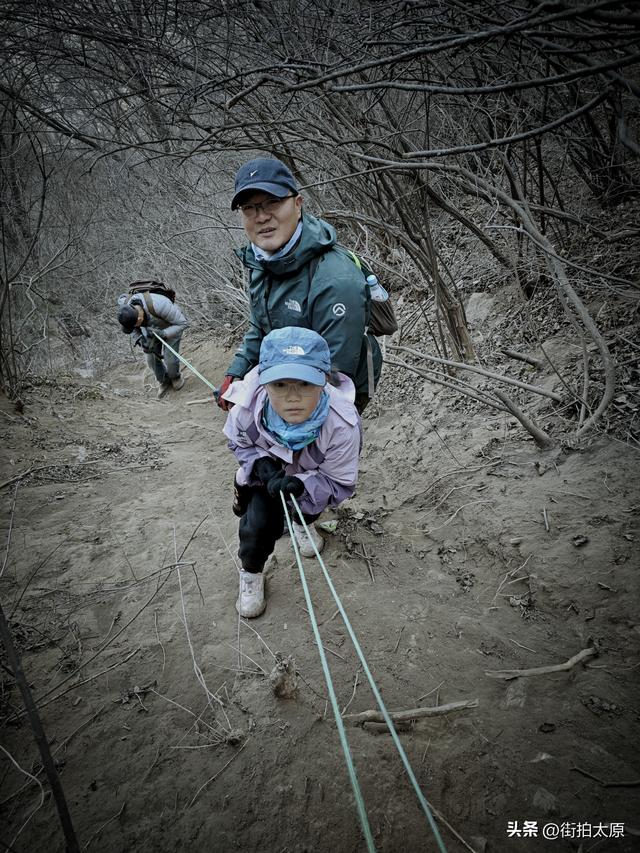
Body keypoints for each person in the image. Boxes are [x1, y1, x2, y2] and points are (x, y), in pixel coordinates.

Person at [216, 157, 382, 415]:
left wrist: (269, 415)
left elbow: (335, 376)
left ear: (298, 205)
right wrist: (237, 372)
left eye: (273, 202)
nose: (261, 217)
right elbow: (261, 326)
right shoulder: (263, 262)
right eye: (249, 208)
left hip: (334, 388)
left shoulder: (335, 279)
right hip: (289, 378)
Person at [223, 326, 361, 618]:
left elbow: (339, 482)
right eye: (280, 385)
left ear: (324, 381)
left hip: (310, 480)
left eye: (305, 384)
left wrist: (302, 486)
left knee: (308, 507)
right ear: (263, 382)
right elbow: (239, 442)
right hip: (266, 478)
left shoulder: (342, 425)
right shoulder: (246, 408)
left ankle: (302, 523)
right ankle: (251, 572)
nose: (293, 397)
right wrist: (259, 463)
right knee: (257, 526)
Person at [117, 288, 188, 399]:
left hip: (172, 325)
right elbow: (132, 330)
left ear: (139, 319)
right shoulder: (127, 309)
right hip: (150, 330)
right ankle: (164, 381)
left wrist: (164, 334)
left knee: (170, 361)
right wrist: (141, 340)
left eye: (135, 324)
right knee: (151, 359)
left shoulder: (159, 304)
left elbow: (182, 323)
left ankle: (175, 377)